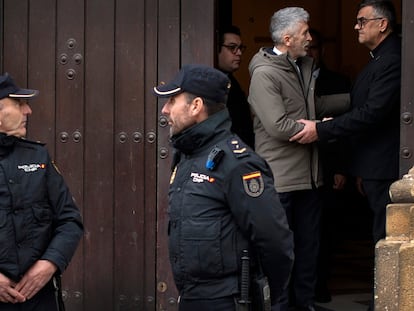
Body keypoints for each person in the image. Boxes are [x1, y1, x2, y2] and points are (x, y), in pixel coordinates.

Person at [153, 64, 294, 311]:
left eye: (172, 101)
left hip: (228, 301)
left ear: (196, 105)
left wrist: (269, 299)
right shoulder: (188, 155)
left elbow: (275, 241)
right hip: (191, 298)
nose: (165, 110)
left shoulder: (237, 163)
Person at [290, 0, 401, 247]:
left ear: (382, 24)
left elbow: (373, 112)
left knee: (386, 241)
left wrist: (320, 129)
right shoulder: (380, 58)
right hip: (374, 165)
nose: (356, 26)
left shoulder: (392, 59)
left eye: (362, 21)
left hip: (385, 166)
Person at [247, 7, 323, 311]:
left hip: (309, 178)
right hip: (281, 181)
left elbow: (309, 107)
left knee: (309, 253)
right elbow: (278, 126)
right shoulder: (265, 74)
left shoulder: (300, 65)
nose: (310, 37)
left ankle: (305, 307)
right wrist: (320, 130)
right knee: (282, 255)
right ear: (288, 38)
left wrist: (355, 102)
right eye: (305, 32)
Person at [0, 73, 83, 310]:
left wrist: (50, 263)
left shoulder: (38, 158)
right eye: (19, 104)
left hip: (40, 300)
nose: (28, 111)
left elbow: (70, 221)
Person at [307, 28, 352, 303]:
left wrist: (341, 167)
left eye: (314, 47)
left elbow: (348, 131)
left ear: (321, 50)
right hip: (299, 166)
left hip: (330, 163)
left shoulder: (338, 81)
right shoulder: (291, 79)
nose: (309, 52)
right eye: (306, 46)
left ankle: (320, 285)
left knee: (326, 230)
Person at [217, 25, 255, 149]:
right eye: (232, 47)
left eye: (240, 48)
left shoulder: (232, 81)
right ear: (216, 48)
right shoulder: (212, 84)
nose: (238, 53)